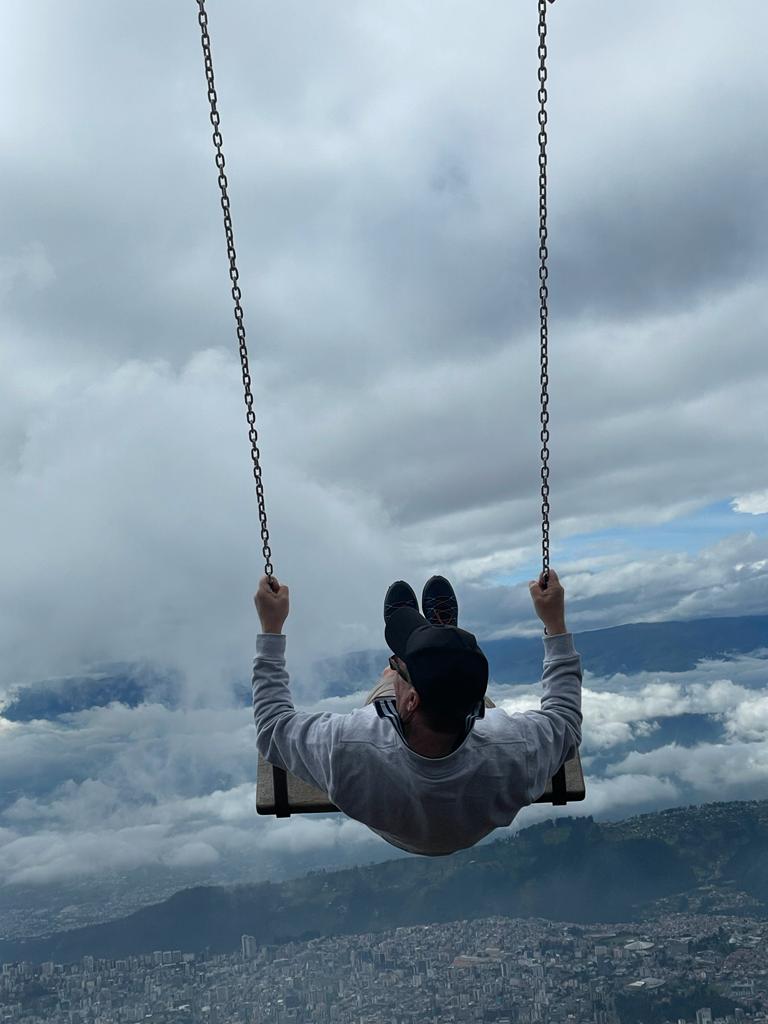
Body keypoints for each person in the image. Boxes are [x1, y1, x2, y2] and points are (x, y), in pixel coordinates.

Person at [252, 569, 582, 856]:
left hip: (397, 831)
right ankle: (443, 644)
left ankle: (427, 651)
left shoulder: (349, 748)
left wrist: (271, 626)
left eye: (400, 662)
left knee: (387, 682)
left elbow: (272, 727)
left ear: (411, 701)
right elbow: (564, 720)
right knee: (452, 689)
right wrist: (554, 621)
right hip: (467, 825)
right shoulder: (512, 749)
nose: (398, 665)